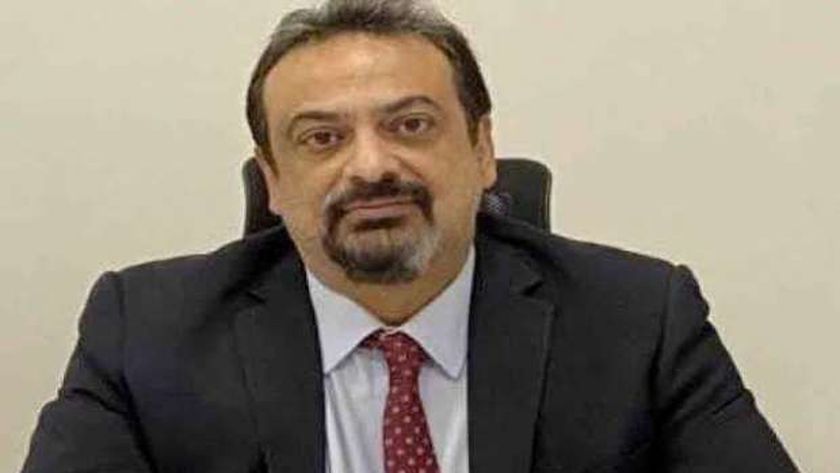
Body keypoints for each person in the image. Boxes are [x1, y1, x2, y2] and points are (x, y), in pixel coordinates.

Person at [22, 0, 798, 472]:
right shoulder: (145, 333)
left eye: (411, 125)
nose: (371, 166)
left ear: (483, 149)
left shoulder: (640, 320)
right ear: (274, 180)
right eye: (322, 138)